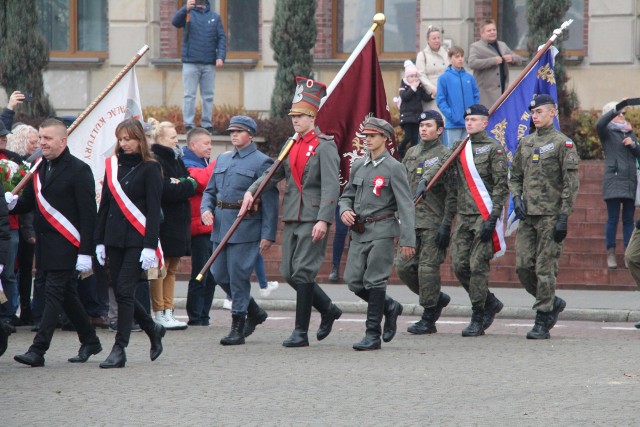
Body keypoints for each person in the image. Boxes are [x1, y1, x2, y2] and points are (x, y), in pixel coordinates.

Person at [240, 76, 343, 348]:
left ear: (312, 116)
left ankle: (300, 332)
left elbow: (332, 186)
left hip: (312, 217)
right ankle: (328, 309)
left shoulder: (324, 145)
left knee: (304, 272)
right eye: (293, 116)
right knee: (288, 271)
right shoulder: (291, 144)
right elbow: (272, 174)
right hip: (293, 216)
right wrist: (253, 190)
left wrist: (324, 219)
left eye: (300, 115)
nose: (295, 120)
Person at [7, 118, 102, 367]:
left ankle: (38, 350)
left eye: (47, 138)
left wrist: (86, 252)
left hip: (68, 244)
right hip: (45, 244)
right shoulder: (38, 167)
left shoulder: (79, 170)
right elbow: (29, 203)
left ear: (63, 140)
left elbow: (88, 214)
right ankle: (90, 339)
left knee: (53, 294)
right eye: (40, 138)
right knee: (67, 295)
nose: (42, 143)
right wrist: (11, 203)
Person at [418, 104, 507, 337]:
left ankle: (478, 315)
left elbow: (500, 188)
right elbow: (441, 165)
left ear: (485, 123)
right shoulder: (460, 147)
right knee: (459, 265)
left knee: (477, 265)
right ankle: (489, 301)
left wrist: (493, 218)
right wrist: (426, 179)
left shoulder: (494, 150)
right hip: (464, 217)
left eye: (474, 120)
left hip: (483, 217)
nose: (469, 123)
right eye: (467, 120)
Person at [94, 118, 166, 368]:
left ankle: (119, 348)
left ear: (140, 140)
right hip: (113, 238)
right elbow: (104, 206)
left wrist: (150, 245)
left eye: (129, 139)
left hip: (138, 239)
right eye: (121, 139)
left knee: (124, 290)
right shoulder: (112, 166)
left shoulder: (151, 168)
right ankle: (152, 328)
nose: (124, 144)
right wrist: (99, 240)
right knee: (120, 288)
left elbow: (154, 210)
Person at [339, 117, 415, 351]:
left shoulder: (394, 168)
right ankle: (390, 307)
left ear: (385, 138)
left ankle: (372, 334)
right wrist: (345, 210)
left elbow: (406, 205)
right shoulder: (359, 165)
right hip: (359, 231)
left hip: (382, 230)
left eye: (372, 136)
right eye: (366, 136)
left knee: (375, 280)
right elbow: (346, 196)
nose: (367, 140)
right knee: (353, 281)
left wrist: (407, 239)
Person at [201, 116, 278, 345]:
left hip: (245, 228)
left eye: (239, 131)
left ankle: (238, 324)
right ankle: (254, 311)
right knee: (219, 274)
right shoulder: (222, 159)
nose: (233, 135)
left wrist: (267, 235)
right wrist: (206, 209)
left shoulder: (262, 162)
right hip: (221, 225)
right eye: (231, 131)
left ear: (251, 135)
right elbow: (209, 191)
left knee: (238, 277)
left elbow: (271, 201)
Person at [509, 95, 580, 340]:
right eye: (533, 113)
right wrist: (516, 198)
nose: (535, 116)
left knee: (544, 268)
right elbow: (515, 175)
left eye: (539, 111)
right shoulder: (526, 143)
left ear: (552, 113)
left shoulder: (563, 144)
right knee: (522, 266)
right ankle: (550, 301)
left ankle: (542, 318)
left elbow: (571, 184)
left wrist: (564, 217)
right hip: (528, 216)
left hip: (551, 215)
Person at [395, 110, 454, 335]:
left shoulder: (446, 154)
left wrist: (446, 224)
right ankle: (436, 298)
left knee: (427, 270)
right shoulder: (411, 153)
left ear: (439, 130)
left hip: (433, 222)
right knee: (403, 267)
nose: (423, 129)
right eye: (421, 125)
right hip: (411, 222)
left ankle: (428, 316)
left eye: (428, 125)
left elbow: (451, 193)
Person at [148, 119, 194, 330]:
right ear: (160, 139)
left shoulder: (176, 158)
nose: (177, 140)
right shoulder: (156, 160)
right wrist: (182, 184)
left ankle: (168, 310)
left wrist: (184, 183)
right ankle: (158, 311)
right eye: (173, 137)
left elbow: (190, 182)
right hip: (165, 223)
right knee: (160, 269)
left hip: (177, 222)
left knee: (172, 268)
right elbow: (168, 190)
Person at [172, 0, 226, 134]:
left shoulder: (214, 17)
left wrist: (220, 57)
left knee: (208, 95)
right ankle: (188, 124)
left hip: (209, 63)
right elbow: (175, 22)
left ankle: (207, 124)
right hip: (190, 62)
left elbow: (221, 38)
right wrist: (185, 8)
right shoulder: (187, 14)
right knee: (189, 95)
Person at [596, 100, 640, 269]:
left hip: (630, 181)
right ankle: (611, 253)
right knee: (613, 219)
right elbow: (600, 123)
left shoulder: (629, 132)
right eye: (619, 114)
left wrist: (633, 144)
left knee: (629, 220)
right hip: (613, 180)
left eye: (623, 113)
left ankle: (629, 253)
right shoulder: (606, 132)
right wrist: (616, 109)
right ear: (612, 115)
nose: (622, 116)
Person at [182, 127, 218, 325]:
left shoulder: (203, 163)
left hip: (209, 226)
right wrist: (219, 164)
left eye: (211, 143)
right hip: (198, 228)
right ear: (193, 145)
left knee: (211, 275)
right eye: (206, 143)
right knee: (200, 273)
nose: (210, 147)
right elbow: (204, 181)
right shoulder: (186, 163)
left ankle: (204, 315)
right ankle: (195, 317)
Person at [6, 124, 38, 326]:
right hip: (16, 224)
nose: (36, 146)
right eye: (33, 142)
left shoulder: (32, 163)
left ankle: (25, 308)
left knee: (25, 270)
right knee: (11, 271)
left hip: (24, 224)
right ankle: (12, 309)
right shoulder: (14, 164)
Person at [0, 121, 24, 331]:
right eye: (0, 136)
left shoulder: (13, 160)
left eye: (4, 136)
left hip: (11, 225)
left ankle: (8, 312)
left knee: (8, 271)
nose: (3, 139)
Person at [468, 19, 523, 108]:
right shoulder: (476, 47)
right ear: (481, 34)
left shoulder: (502, 45)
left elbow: (520, 59)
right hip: (485, 96)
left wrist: (512, 58)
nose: (492, 32)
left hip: (502, 92)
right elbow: (472, 63)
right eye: (489, 31)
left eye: (494, 30)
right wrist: (492, 61)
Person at [436, 45, 480, 148]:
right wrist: (452, 115)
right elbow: (440, 100)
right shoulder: (444, 78)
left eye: (462, 56)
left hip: (469, 123)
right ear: (450, 59)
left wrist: (473, 114)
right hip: (453, 124)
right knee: (453, 151)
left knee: (469, 151)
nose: (460, 59)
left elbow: (476, 96)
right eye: (457, 56)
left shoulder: (469, 77)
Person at [398, 60, 432, 158]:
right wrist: (412, 88)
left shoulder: (419, 87)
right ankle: (400, 150)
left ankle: (414, 156)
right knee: (408, 136)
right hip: (407, 117)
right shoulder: (403, 87)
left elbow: (425, 97)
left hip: (417, 117)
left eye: (415, 76)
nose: (414, 78)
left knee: (415, 138)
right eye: (411, 76)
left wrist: (432, 95)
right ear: (407, 78)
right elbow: (405, 97)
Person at [415, 25, 449, 111]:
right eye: (434, 38)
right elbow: (420, 75)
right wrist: (432, 88)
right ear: (428, 40)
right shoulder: (422, 55)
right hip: (432, 94)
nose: (437, 40)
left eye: (438, 38)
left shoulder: (447, 52)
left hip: (447, 91)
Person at [328, 206, 348, 282]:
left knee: (357, 232)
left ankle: (357, 267)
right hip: (342, 199)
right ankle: (335, 266)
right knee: (340, 231)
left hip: (360, 199)